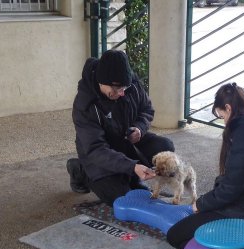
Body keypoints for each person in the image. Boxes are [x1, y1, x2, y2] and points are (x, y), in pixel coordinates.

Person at [166, 83, 244, 249]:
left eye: (221, 115)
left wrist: (201, 204)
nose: (224, 121)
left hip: (241, 211)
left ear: (228, 107)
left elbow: (231, 190)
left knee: (174, 236)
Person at [67, 50, 175, 205]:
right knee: (121, 198)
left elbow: (147, 109)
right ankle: (80, 170)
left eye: (125, 88)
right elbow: (96, 149)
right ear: (101, 81)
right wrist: (132, 166)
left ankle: (131, 178)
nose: (122, 93)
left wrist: (139, 128)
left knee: (165, 147)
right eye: (117, 89)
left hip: (126, 141)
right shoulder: (85, 104)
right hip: (99, 154)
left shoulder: (130, 84)